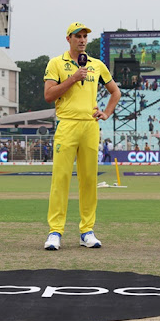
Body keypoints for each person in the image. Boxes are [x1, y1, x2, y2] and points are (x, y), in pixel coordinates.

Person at [42, 22, 121, 250]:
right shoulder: (56, 63)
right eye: (78, 36)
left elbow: (115, 91)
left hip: (90, 125)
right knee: (61, 180)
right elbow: (48, 95)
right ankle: (55, 231)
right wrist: (73, 78)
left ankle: (87, 231)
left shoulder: (97, 65)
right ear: (68, 38)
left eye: (85, 36)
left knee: (89, 180)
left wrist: (105, 112)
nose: (83, 40)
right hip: (66, 124)